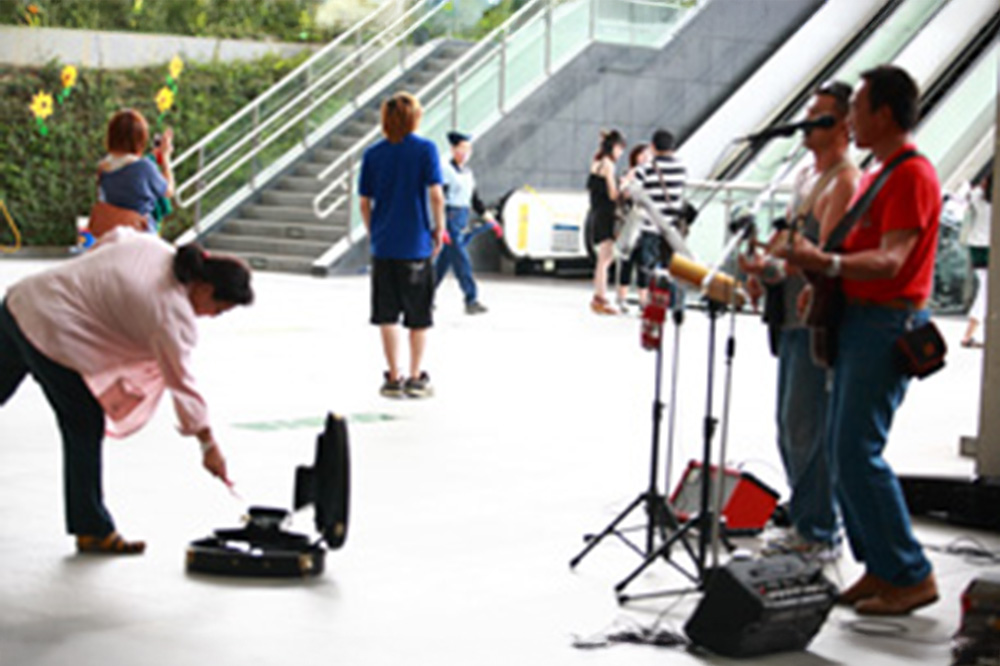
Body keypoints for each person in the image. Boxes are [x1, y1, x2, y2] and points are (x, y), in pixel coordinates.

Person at [780, 65, 940, 615]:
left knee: (856, 450)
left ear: (884, 114)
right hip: (862, 320)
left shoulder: (912, 176)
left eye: (858, 107)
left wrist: (825, 262)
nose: (849, 119)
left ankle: (910, 571)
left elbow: (892, 259)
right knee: (844, 449)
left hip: (887, 323)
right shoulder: (882, 173)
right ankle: (881, 567)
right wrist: (825, 282)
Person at [0, 228, 253, 554]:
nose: (212, 317)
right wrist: (208, 445)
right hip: (52, 328)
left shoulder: (157, 249)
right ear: (205, 288)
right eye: (218, 309)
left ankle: (90, 526)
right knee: (84, 423)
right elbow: (182, 384)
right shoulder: (172, 314)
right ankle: (92, 529)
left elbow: (114, 237)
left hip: (21, 301)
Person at [742, 82, 859, 560]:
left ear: (843, 125)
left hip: (815, 321)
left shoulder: (845, 180)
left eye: (819, 118)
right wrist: (763, 268)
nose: (808, 127)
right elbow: (789, 239)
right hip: (788, 315)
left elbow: (821, 256)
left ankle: (819, 529)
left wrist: (776, 267)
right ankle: (807, 518)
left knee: (806, 425)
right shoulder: (807, 177)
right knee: (789, 424)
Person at [359, 92, 445, 399]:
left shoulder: (373, 154)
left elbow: (364, 202)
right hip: (416, 244)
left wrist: (374, 231)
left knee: (386, 314)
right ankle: (415, 375)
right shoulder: (425, 150)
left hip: (384, 245)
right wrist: (439, 229)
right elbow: (435, 194)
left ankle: (393, 377)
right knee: (418, 315)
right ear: (415, 118)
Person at [434, 130, 502, 315]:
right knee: (462, 261)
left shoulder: (468, 173)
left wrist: (492, 221)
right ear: (453, 149)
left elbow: (475, 201)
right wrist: (441, 227)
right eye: (461, 148)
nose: (464, 153)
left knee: (443, 263)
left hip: (462, 217)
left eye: (468, 149)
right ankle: (471, 299)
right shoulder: (445, 171)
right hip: (450, 218)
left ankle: (424, 296)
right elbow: (438, 199)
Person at [631, 129, 688, 309]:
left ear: (653, 147)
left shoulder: (645, 169)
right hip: (673, 229)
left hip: (651, 226)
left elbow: (635, 194)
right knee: (675, 267)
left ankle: (651, 305)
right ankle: (675, 305)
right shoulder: (682, 168)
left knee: (649, 268)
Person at [96, 109, 176, 234]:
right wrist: (165, 157)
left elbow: (125, 165)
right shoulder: (144, 167)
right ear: (140, 138)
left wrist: (150, 158)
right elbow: (168, 191)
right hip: (140, 232)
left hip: (112, 232)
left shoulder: (102, 167)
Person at [588, 129, 626, 315]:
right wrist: (624, 184)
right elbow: (612, 194)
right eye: (620, 149)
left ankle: (599, 296)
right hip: (606, 214)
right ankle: (600, 298)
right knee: (605, 259)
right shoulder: (608, 165)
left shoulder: (596, 163)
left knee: (603, 259)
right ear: (614, 147)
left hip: (597, 213)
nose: (621, 154)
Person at [615, 143, 652, 313]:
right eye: (642, 155)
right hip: (630, 223)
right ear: (635, 157)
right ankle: (622, 298)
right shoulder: (629, 173)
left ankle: (643, 301)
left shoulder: (652, 175)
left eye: (648, 154)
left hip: (646, 225)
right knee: (627, 261)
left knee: (643, 262)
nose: (645, 158)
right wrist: (628, 181)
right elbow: (624, 196)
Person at [961, 172, 992, 348]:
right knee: (986, 291)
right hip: (992, 248)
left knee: (985, 289)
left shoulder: (977, 197)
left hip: (976, 247)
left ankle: (970, 333)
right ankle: (969, 333)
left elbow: (965, 191)